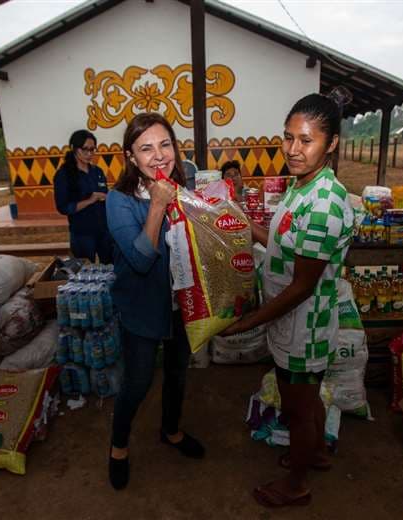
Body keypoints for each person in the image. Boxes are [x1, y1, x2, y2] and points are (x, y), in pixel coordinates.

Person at [221, 89, 354, 508]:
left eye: (306, 140)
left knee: (298, 409)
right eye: (288, 137)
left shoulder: (325, 204)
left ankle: (297, 484)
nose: (293, 150)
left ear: (331, 144)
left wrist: (249, 322)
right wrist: (243, 223)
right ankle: (313, 453)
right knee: (307, 398)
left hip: (303, 324)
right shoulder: (302, 186)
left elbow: (302, 287)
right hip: (291, 319)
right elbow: (281, 243)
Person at [105, 113, 204, 490]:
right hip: (141, 307)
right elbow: (142, 259)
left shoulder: (184, 186)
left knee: (178, 373)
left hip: (181, 304)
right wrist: (158, 205)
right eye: (146, 148)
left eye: (165, 144)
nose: (159, 155)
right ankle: (118, 447)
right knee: (138, 382)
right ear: (131, 157)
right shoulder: (118, 201)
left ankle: (172, 431)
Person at [54, 129, 113, 264]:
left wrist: (108, 197)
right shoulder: (64, 175)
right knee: (84, 271)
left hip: (104, 231)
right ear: (74, 148)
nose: (89, 154)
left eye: (92, 150)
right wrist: (90, 200)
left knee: (111, 268)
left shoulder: (97, 172)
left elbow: (105, 193)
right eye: (85, 149)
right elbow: (63, 207)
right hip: (82, 234)